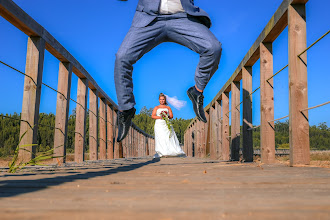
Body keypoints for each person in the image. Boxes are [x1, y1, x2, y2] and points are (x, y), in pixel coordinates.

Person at [116, 0, 222, 142]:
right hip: (149, 18)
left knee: (213, 48)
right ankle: (126, 110)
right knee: (122, 57)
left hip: (183, 17)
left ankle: (196, 91)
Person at [152, 93, 185, 157]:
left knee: (168, 136)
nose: (162, 101)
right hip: (159, 124)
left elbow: (171, 116)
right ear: (159, 100)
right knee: (160, 137)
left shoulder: (168, 107)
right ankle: (161, 151)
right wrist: (160, 117)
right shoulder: (156, 107)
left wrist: (166, 117)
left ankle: (170, 150)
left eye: (163, 99)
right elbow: (153, 116)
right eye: (161, 99)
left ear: (165, 100)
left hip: (166, 123)